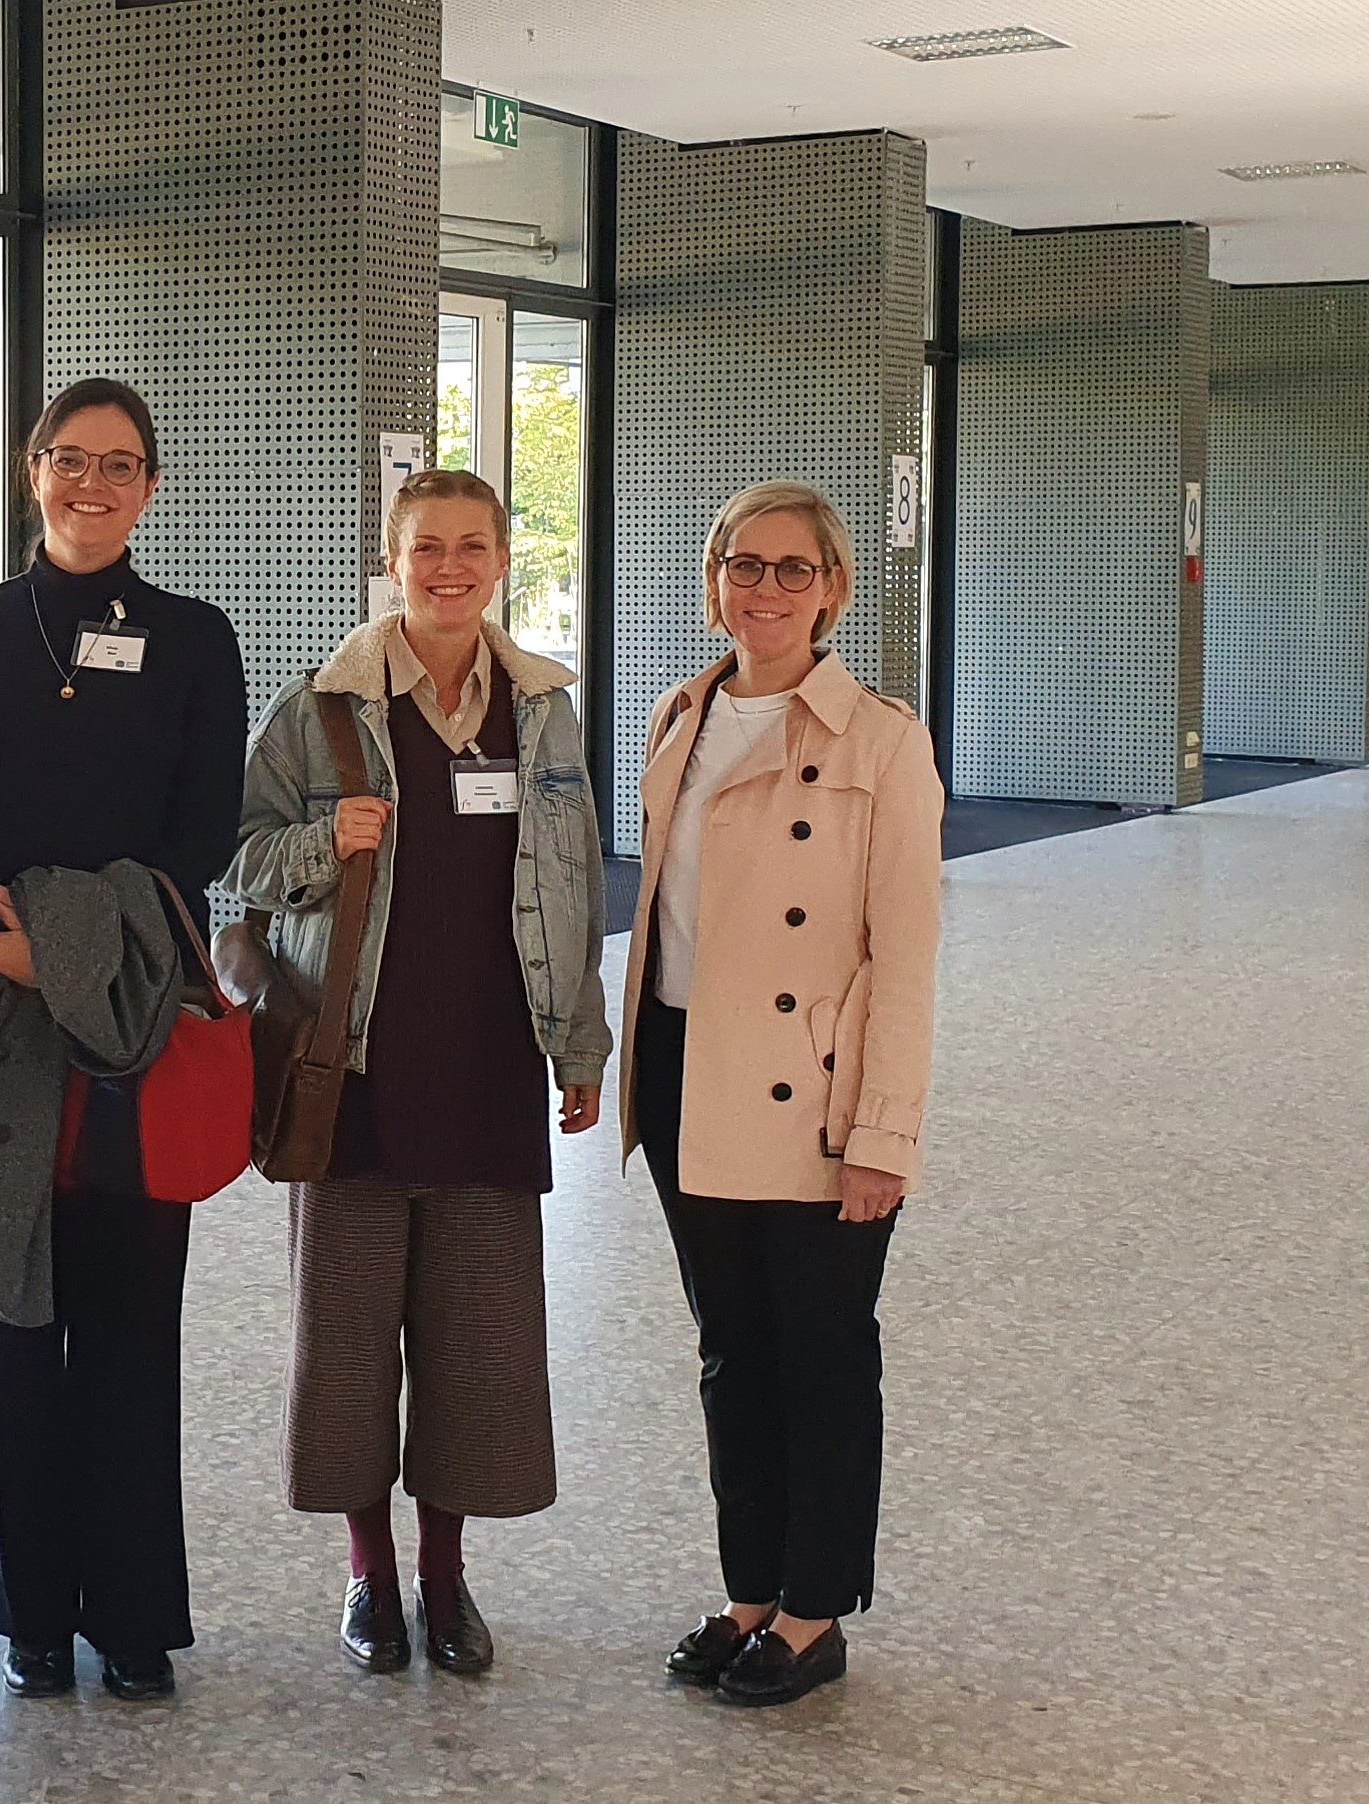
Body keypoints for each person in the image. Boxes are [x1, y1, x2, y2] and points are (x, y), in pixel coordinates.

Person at [0, 378, 247, 1702]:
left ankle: (134, 1613)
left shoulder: (194, 637)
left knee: (129, 1310)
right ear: (33, 470)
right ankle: (33, 1614)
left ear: (149, 488)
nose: (93, 485)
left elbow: (198, 829)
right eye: (70, 460)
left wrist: (86, 954)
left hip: (136, 1013)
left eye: (121, 465)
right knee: (7, 1302)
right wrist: (0, 947)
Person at [227, 468, 610, 1678]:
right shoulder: (322, 708)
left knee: (475, 1345)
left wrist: (579, 1041)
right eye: (424, 548)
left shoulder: (545, 708)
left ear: (501, 557)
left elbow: (576, 882)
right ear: (389, 562)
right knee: (344, 1345)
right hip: (355, 1073)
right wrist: (314, 844)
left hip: (490, 1066)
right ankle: (369, 1579)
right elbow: (233, 861)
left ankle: (446, 1580)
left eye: (471, 546)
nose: (449, 567)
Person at [622, 481, 943, 1707]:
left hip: (811, 1095)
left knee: (820, 1353)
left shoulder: (880, 736)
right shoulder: (679, 714)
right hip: (685, 1072)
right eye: (742, 566)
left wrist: (883, 1134)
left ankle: (813, 1611)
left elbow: (904, 955)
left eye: (790, 570)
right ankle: (747, 1589)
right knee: (727, 1351)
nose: (763, 590)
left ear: (834, 588)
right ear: (713, 580)